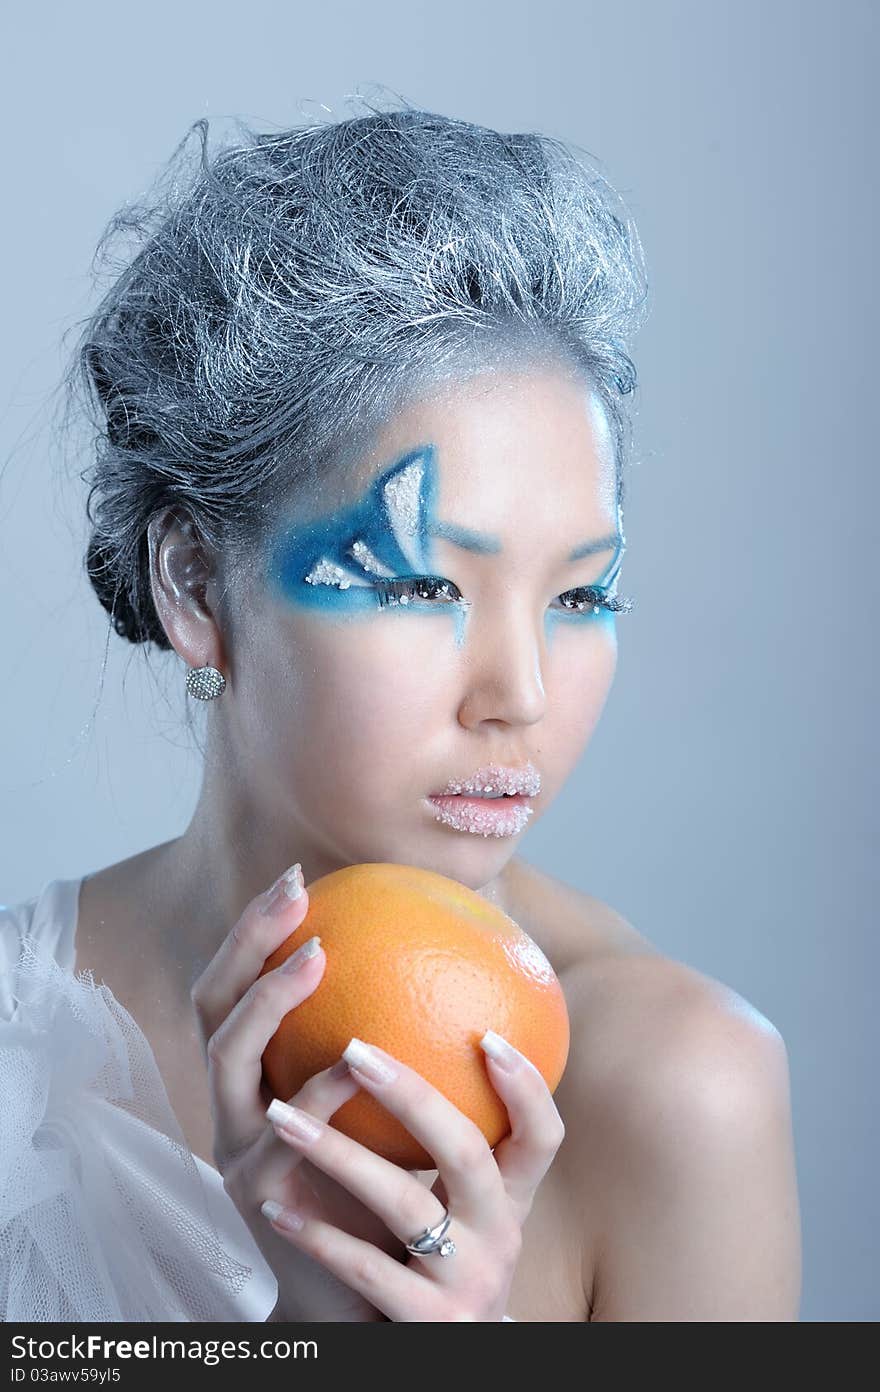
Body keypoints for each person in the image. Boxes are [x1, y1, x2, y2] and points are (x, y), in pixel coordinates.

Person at [0, 103, 802, 1322]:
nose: (520, 697)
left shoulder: (676, 1091)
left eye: (582, 594)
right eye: (426, 583)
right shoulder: (19, 1040)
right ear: (195, 585)